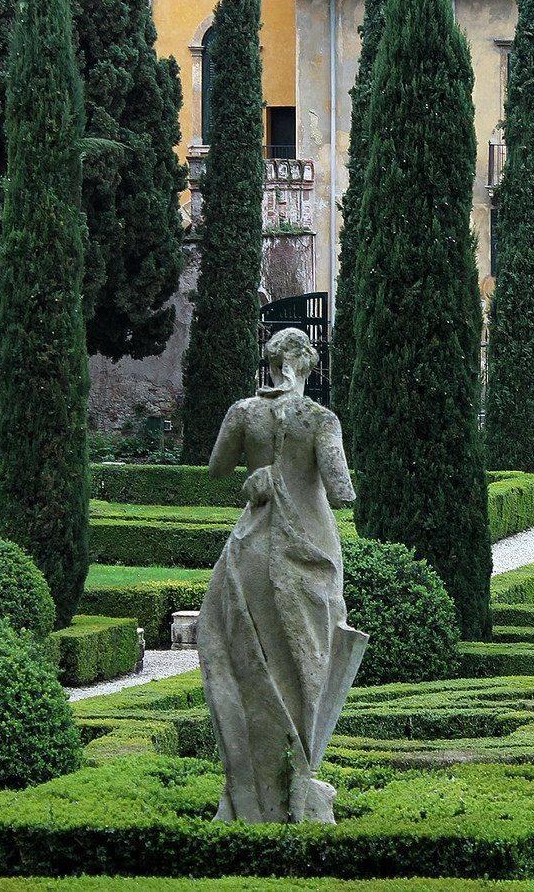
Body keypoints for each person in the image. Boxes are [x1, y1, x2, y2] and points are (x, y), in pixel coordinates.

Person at [197, 327, 367, 824]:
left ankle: (249, 798)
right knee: (309, 667)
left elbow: (215, 468)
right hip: (309, 552)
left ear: (270, 364)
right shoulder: (320, 419)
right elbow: (340, 491)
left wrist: (260, 468)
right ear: (308, 368)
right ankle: (301, 788)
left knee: (249, 662)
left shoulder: (243, 412)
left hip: (251, 547)